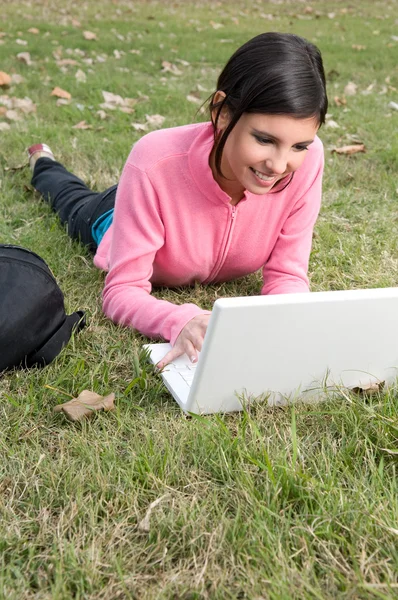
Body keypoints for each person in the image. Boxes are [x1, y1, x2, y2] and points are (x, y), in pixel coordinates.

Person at [27, 32, 328, 369]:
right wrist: (178, 319)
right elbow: (121, 291)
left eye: (299, 146)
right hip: (114, 214)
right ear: (222, 112)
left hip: (154, 192)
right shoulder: (152, 161)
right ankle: (43, 162)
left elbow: (288, 275)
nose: (278, 165)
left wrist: (291, 320)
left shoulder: (307, 162)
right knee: (71, 199)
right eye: (264, 139)